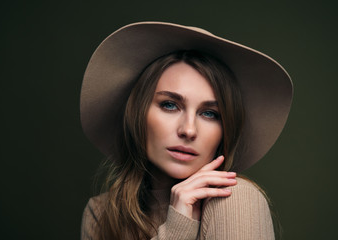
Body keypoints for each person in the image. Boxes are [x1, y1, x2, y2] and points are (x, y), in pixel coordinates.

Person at [80, 22, 293, 240]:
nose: (189, 130)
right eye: (170, 105)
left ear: (225, 129)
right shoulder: (101, 214)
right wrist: (175, 229)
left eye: (210, 113)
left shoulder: (234, 200)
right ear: (138, 113)